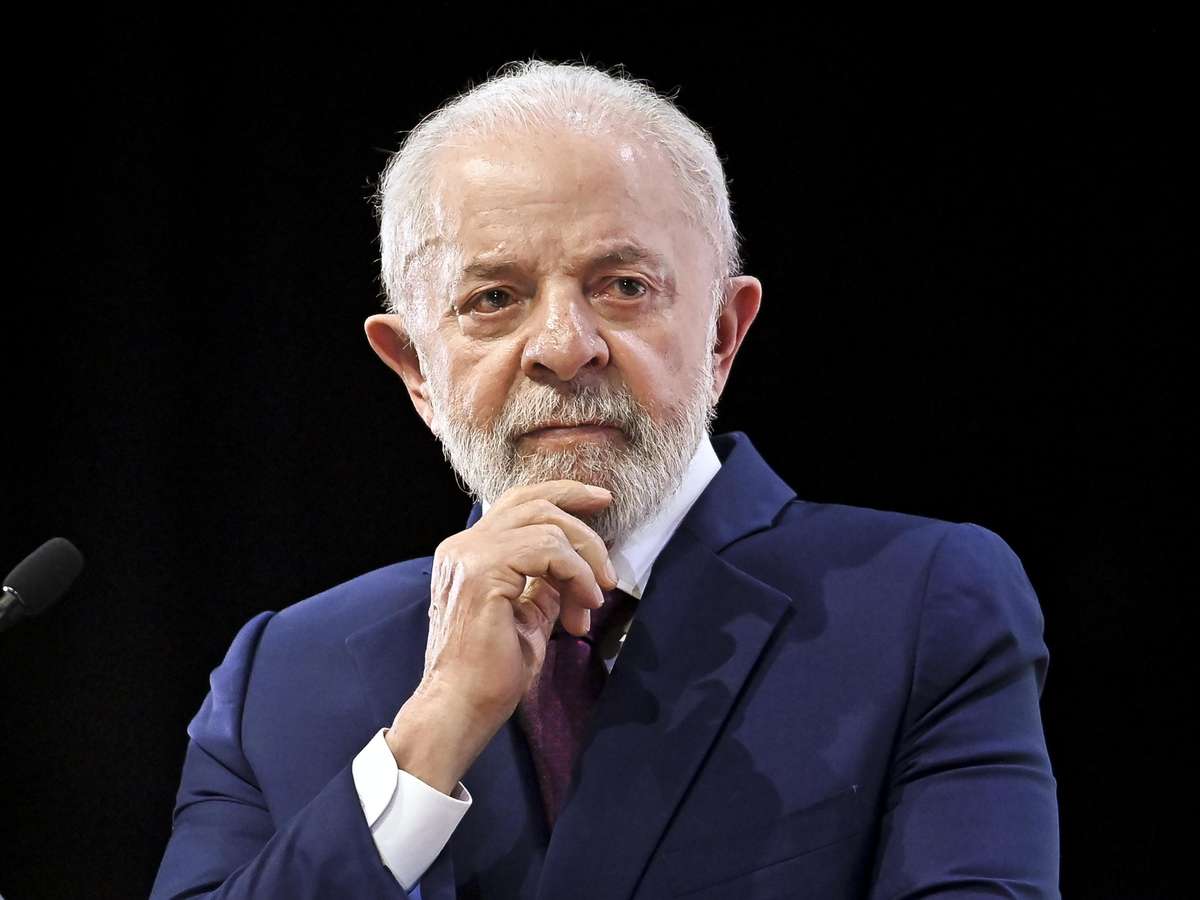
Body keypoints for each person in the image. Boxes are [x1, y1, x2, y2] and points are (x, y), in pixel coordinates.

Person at [151, 60, 1059, 899]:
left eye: (623, 286)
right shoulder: (281, 674)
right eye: (494, 298)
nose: (563, 346)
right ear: (415, 369)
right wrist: (432, 732)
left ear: (722, 336)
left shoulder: (920, 605)